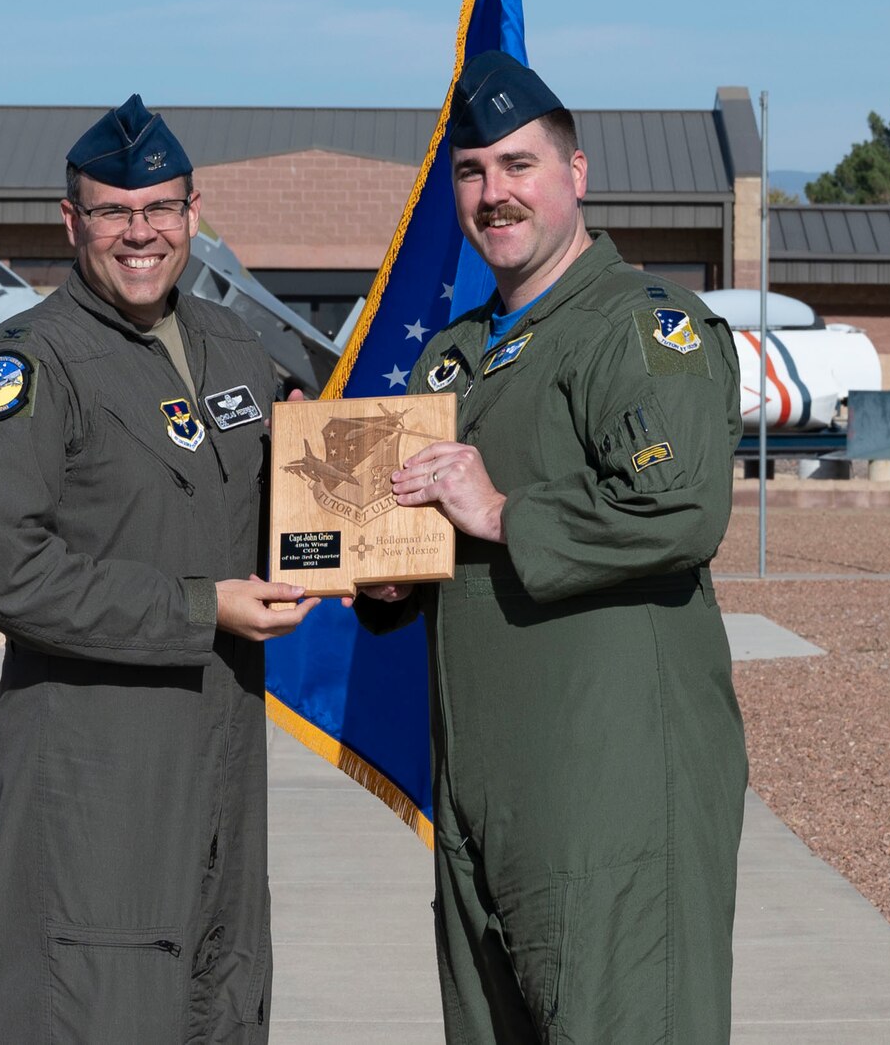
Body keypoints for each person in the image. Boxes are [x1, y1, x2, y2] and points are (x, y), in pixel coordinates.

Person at [353, 50, 748, 1043]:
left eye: (518, 165)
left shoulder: (637, 327)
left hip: (605, 783)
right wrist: (388, 571)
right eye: (472, 171)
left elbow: (679, 509)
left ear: (575, 174)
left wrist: (503, 513)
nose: (494, 193)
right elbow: (425, 535)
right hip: (483, 785)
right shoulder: (456, 350)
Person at [0, 95, 315, 1043]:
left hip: (225, 756)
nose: (139, 232)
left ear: (194, 212)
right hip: (97, 770)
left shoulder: (238, 347)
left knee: (222, 1000)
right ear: (72, 223)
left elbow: (278, 513)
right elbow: (5, 567)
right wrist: (201, 608)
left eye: (159, 208)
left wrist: (373, 557)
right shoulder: (31, 363)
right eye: (113, 211)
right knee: (97, 1008)